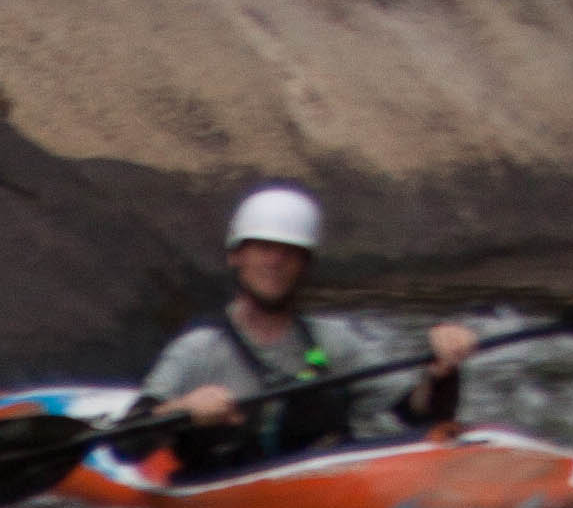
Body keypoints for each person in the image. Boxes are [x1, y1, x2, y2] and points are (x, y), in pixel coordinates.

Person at [138, 185, 476, 464]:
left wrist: (442, 372)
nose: (275, 261)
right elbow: (128, 443)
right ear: (236, 255)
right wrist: (182, 409)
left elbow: (418, 412)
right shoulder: (199, 349)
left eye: (289, 251)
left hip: (323, 492)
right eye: (263, 247)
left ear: (306, 263)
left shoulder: (335, 342)